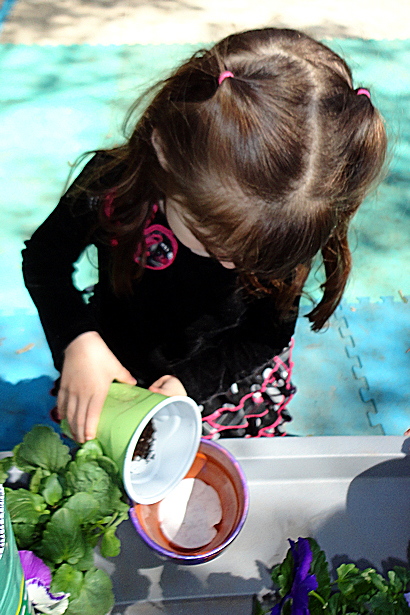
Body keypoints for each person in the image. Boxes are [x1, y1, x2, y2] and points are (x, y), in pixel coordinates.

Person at [22, 27, 387, 443]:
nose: (234, 265)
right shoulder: (114, 189)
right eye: (211, 237)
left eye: (257, 258)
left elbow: (266, 332)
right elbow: (43, 261)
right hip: (117, 357)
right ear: (164, 151)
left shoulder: (284, 222)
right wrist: (77, 339)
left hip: (218, 383)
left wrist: (187, 385)